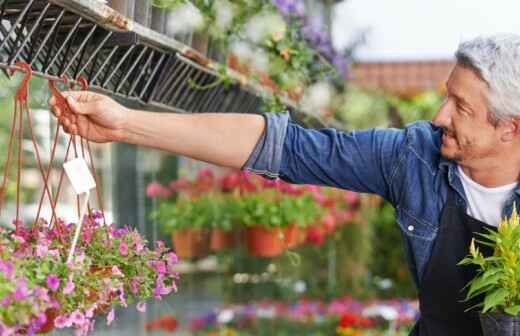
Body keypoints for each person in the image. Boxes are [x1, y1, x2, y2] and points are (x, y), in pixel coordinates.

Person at [49, 34, 520, 335]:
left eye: (460, 107)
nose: (438, 117)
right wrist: (126, 124)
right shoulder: (412, 157)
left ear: (510, 128)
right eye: (446, 98)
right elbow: (282, 146)